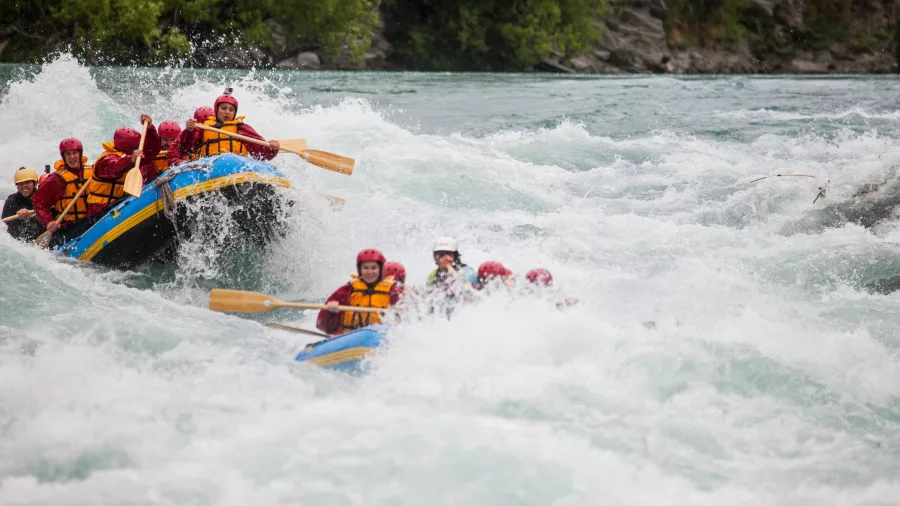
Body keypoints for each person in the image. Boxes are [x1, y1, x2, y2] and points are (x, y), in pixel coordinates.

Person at [87, 114, 161, 218]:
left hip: (121, 203)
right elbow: (115, 167)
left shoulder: (132, 157)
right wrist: (131, 159)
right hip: (100, 210)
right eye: (137, 146)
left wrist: (149, 129)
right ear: (127, 148)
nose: (139, 148)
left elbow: (151, 152)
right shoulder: (105, 161)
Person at [176, 89, 280, 161]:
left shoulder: (241, 128)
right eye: (223, 108)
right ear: (216, 110)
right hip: (211, 167)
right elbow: (187, 148)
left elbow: (261, 154)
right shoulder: (203, 127)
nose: (227, 112)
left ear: (235, 113)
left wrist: (272, 148)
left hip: (237, 166)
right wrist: (189, 131)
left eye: (231, 109)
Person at [316, 249, 401, 336]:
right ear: (360, 269)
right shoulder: (348, 290)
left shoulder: (393, 290)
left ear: (380, 269)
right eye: (365, 268)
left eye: (373, 268)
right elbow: (321, 325)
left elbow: (407, 317)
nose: (369, 272)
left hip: (380, 337)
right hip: (350, 337)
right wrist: (330, 312)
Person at [32, 138, 94, 246]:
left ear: (80, 154)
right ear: (64, 157)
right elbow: (38, 201)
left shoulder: (92, 171)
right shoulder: (57, 179)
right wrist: (49, 222)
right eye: (68, 154)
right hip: (71, 226)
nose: (72, 157)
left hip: (93, 219)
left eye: (75, 153)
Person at [2, 167, 45, 242]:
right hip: (22, 242)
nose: (24, 186)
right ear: (17, 187)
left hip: (42, 236)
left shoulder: (43, 198)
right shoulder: (12, 201)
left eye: (27, 182)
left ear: (34, 183)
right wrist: (19, 218)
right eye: (21, 184)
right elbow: (5, 229)